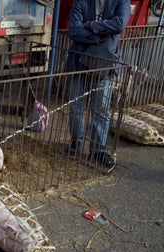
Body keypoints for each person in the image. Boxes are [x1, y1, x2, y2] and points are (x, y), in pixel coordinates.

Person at [66, 0, 130, 166]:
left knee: (100, 108)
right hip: (79, 61)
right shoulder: (81, 3)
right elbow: (73, 31)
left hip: (106, 62)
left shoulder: (121, 2)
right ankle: (76, 142)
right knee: (75, 105)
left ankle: (98, 150)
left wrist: (92, 25)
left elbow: (120, 24)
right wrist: (100, 37)